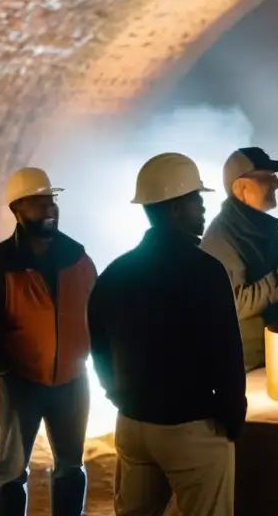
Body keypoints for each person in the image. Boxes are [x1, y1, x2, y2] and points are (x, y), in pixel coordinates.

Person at [89, 153, 246, 516]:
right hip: (190, 429)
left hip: (132, 424)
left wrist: (117, 394)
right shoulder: (206, 272)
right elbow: (225, 351)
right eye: (196, 200)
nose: (204, 208)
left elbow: (96, 344)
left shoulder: (116, 272)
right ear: (175, 209)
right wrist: (232, 417)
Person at [0, 167, 96, 516]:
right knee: (11, 473)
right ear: (17, 210)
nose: (49, 208)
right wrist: (3, 364)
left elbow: (98, 311)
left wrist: (90, 356)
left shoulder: (78, 257)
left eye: (51, 200)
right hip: (20, 383)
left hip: (72, 381)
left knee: (71, 467)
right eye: (38, 202)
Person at [200, 147, 278, 371]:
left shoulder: (265, 228)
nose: (277, 184)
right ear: (240, 188)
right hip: (248, 368)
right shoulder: (223, 237)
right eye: (267, 178)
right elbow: (236, 303)